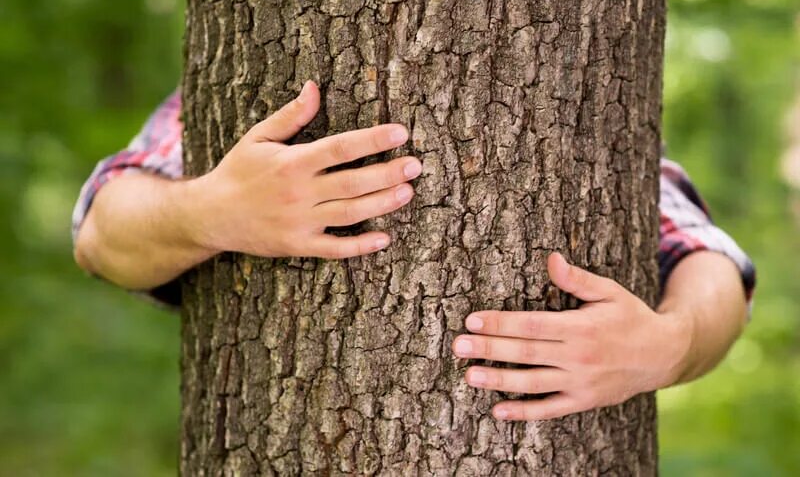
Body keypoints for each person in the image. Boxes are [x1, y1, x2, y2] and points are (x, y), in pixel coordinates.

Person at [72, 80, 756, 421]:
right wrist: (213, 210)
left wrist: (669, 344)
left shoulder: (586, 93)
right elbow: (103, 231)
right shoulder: (246, 85)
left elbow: (707, 256)